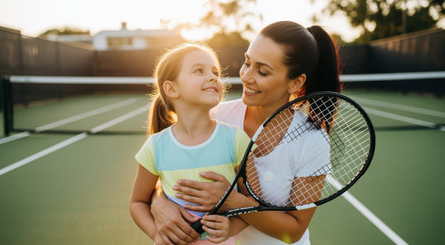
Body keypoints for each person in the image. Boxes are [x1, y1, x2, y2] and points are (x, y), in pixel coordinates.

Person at [150, 21, 342, 245]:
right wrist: (159, 203)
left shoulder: (313, 140)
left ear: (295, 82)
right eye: (247, 63)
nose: (246, 76)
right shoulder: (215, 117)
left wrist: (233, 201)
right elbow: (169, 175)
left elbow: (295, 229)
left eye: (262, 71)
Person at [129, 43, 252, 244]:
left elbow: (251, 203)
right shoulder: (155, 146)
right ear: (171, 88)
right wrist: (156, 234)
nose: (213, 77)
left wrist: (232, 227)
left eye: (215, 72)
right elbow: (138, 202)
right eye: (199, 71)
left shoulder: (235, 139)